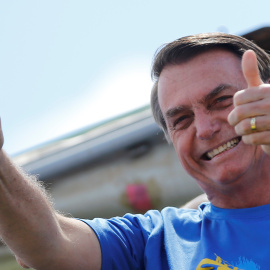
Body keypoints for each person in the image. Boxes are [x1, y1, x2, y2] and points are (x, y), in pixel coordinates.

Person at [1, 32, 270, 269]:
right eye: (181, 120)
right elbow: (51, 244)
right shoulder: (158, 240)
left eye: (222, 101)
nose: (204, 129)